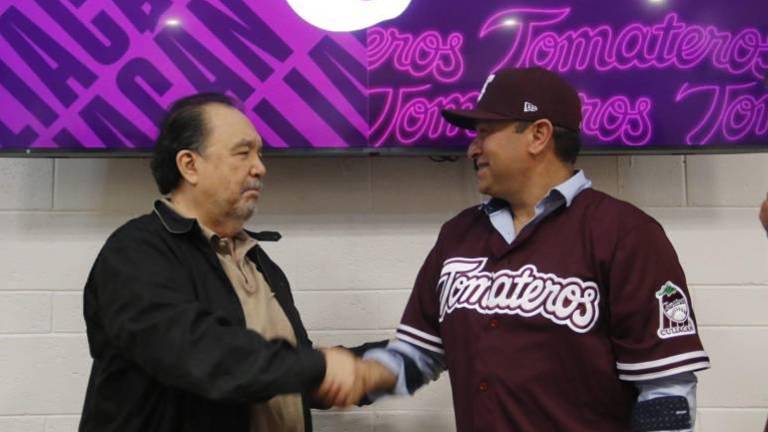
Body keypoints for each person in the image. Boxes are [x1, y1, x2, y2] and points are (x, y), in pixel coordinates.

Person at [357, 67, 711, 432]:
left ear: (538, 135)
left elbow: (666, 395)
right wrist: (352, 373)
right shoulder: (457, 235)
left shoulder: (625, 234)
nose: (472, 148)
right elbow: (420, 355)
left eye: (485, 132)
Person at [78, 93, 376, 432]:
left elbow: (293, 376)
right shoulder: (134, 252)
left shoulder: (258, 262)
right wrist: (319, 367)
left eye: (260, 154)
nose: (260, 167)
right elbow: (201, 354)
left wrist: (393, 360)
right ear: (190, 165)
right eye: (243, 152)